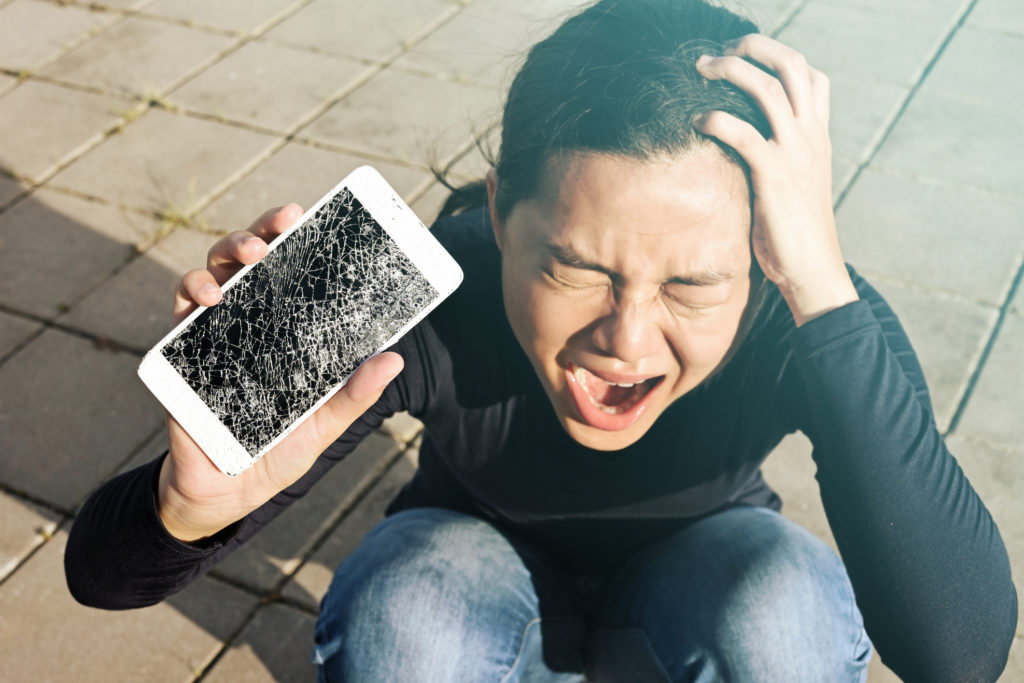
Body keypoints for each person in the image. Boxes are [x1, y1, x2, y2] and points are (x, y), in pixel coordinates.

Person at [65, 0, 1016, 680]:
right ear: (498, 217)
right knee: (408, 613)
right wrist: (187, 507)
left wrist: (820, 286)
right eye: (578, 267)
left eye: (692, 283)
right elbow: (101, 576)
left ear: (769, 250)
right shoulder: (414, 280)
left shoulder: (800, 303)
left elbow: (960, 654)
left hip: (705, 581)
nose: (626, 340)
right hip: (464, 566)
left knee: (788, 613)